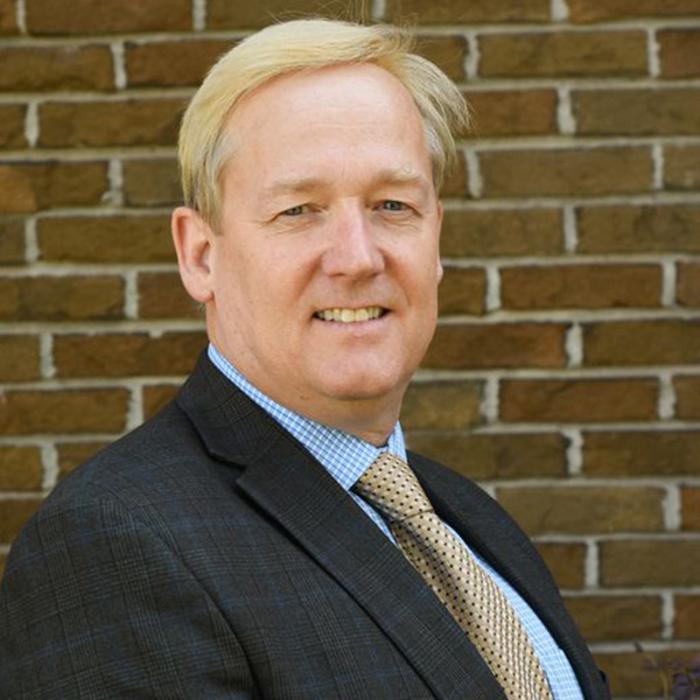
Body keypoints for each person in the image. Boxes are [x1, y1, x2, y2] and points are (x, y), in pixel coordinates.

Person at [0, 19, 609, 700]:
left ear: (436, 238)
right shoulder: (116, 545)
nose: (358, 257)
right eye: (298, 210)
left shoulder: (467, 518)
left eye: (392, 205)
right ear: (200, 255)